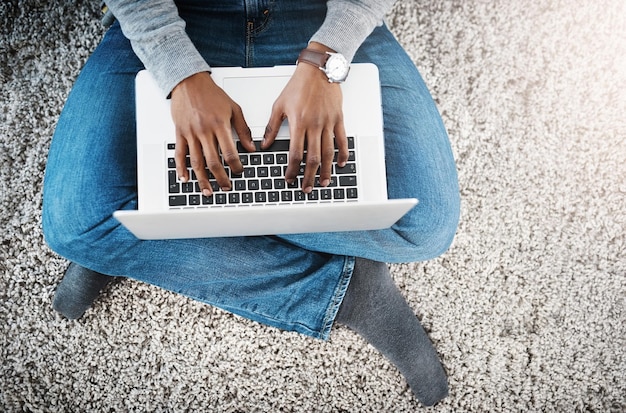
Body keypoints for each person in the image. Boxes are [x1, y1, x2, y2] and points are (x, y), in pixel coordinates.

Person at [43, 0, 460, 406]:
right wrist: (179, 71)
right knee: (76, 222)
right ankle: (349, 290)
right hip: (177, 16)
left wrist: (327, 57)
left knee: (425, 225)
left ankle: (141, 235)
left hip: (319, 17)